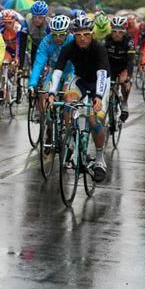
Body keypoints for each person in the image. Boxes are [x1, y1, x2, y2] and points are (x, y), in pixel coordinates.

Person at [48, 15, 110, 182]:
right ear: (73, 35)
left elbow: (102, 74)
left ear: (92, 34)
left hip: (99, 82)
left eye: (86, 35)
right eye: (79, 35)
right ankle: (71, 138)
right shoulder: (68, 47)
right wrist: (52, 92)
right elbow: (58, 70)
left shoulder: (99, 48)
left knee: (94, 120)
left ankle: (99, 159)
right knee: (68, 101)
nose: (83, 39)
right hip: (81, 80)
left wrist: (98, 96)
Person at [28, 15, 75, 112]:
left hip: (70, 71)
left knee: (67, 96)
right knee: (45, 94)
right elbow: (39, 64)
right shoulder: (47, 41)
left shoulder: (73, 41)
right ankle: (46, 121)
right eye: (54, 34)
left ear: (67, 33)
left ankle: (68, 123)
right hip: (54, 71)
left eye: (61, 35)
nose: (57, 38)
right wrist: (32, 84)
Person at [103, 15, 136, 120]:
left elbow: (131, 60)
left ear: (125, 32)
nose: (117, 34)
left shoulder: (129, 41)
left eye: (120, 32)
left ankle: (124, 103)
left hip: (124, 66)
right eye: (114, 31)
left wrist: (128, 76)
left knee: (124, 81)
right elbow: (101, 58)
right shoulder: (107, 40)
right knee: (107, 88)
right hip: (111, 66)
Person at [21, 0, 50, 66]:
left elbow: (52, 44)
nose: (37, 20)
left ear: (45, 17)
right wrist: (21, 66)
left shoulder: (49, 24)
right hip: (35, 44)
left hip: (47, 44)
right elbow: (22, 45)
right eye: (34, 17)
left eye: (40, 17)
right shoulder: (26, 24)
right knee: (34, 64)